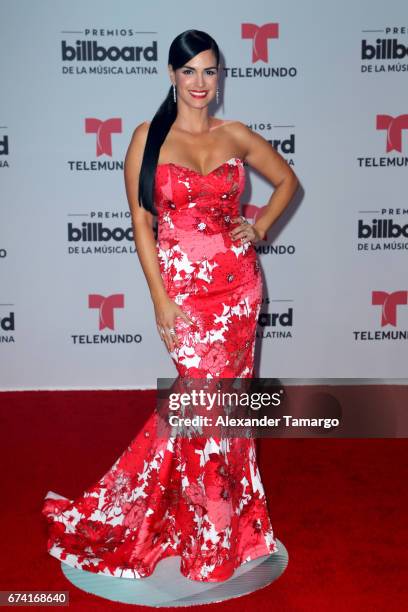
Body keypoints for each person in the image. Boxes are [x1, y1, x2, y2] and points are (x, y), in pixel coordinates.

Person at [42, 29, 298, 583]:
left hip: (239, 293)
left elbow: (286, 182)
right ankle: (198, 528)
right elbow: (142, 222)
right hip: (184, 297)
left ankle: (231, 530)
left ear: (219, 76)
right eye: (189, 71)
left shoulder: (236, 135)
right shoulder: (147, 138)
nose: (200, 83)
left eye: (209, 71)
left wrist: (258, 227)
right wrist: (160, 298)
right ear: (171, 75)